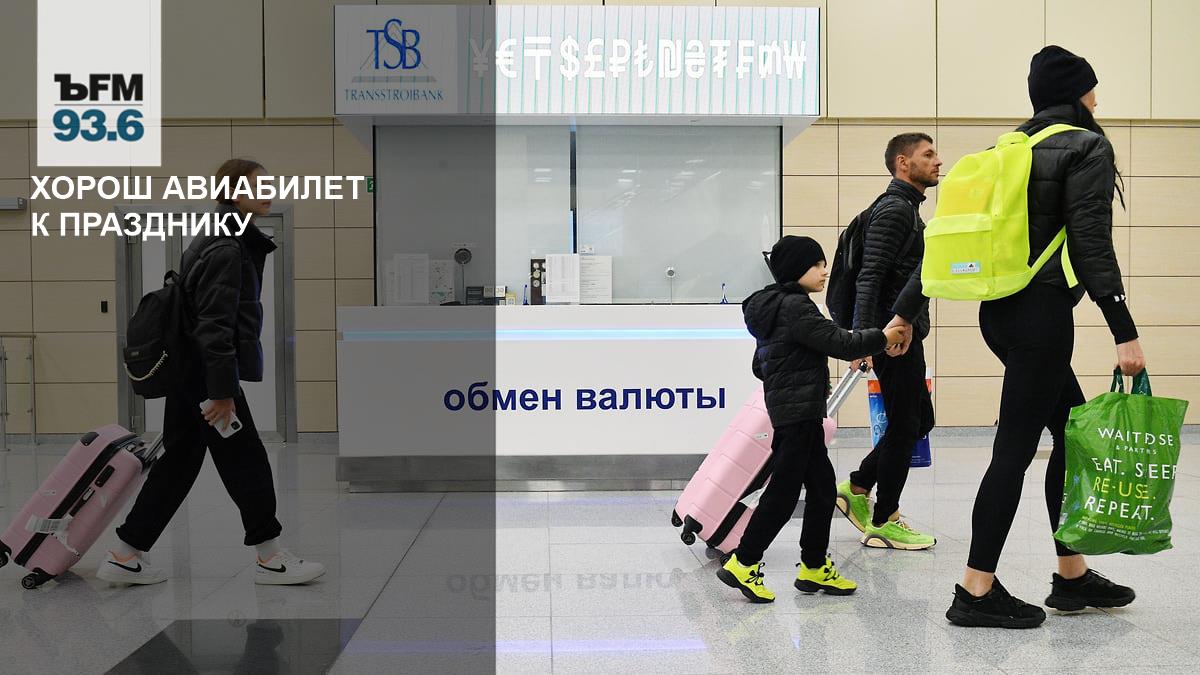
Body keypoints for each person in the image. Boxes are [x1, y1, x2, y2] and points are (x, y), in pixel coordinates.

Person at [889, 46, 1144, 628]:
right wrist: (1124, 332)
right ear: (1078, 93)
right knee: (1014, 451)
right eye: (1093, 88)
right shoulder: (1085, 145)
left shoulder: (1006, 150)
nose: (1098, 98)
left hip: (1000, 314)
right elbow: (1091, 244)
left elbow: (945, 244)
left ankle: (1072, 576)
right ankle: (975, 590)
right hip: (1040, 317)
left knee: (1072, 436)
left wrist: (905, 313)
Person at [99, 159, 325, 586]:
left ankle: (125, 554)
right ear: (234, 193)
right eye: (258, 186)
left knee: (179, 463)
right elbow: (214, 324)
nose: (267, 192)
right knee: (246, 460)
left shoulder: (218, 236)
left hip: (192, 371)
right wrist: (221, 391)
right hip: (205, 376)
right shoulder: (227, 247)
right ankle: (270, 557)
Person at [718, 236, 909, 603]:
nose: (824, 271)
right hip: (799, 414)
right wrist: (882, 337)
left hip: (794, 411)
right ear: (797, 268)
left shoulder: (772, 309)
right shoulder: (796, 307)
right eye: (817, 264)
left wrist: (796, 370)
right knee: (783, 493)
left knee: (822, 490)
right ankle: (744, 561)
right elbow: (840, 343)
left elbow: (761, 366)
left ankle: (814, 566)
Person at [834, 133, 940, 551]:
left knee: (918, 420)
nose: (937, 161)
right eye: (927, 154)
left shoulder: (906, 209)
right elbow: (870, 276)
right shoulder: (895, 210)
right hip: (890, 337)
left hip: (899, 331)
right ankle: (884, 519)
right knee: (905, 425)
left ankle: (859, 485)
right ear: (902, 163)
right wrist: (864, 340)